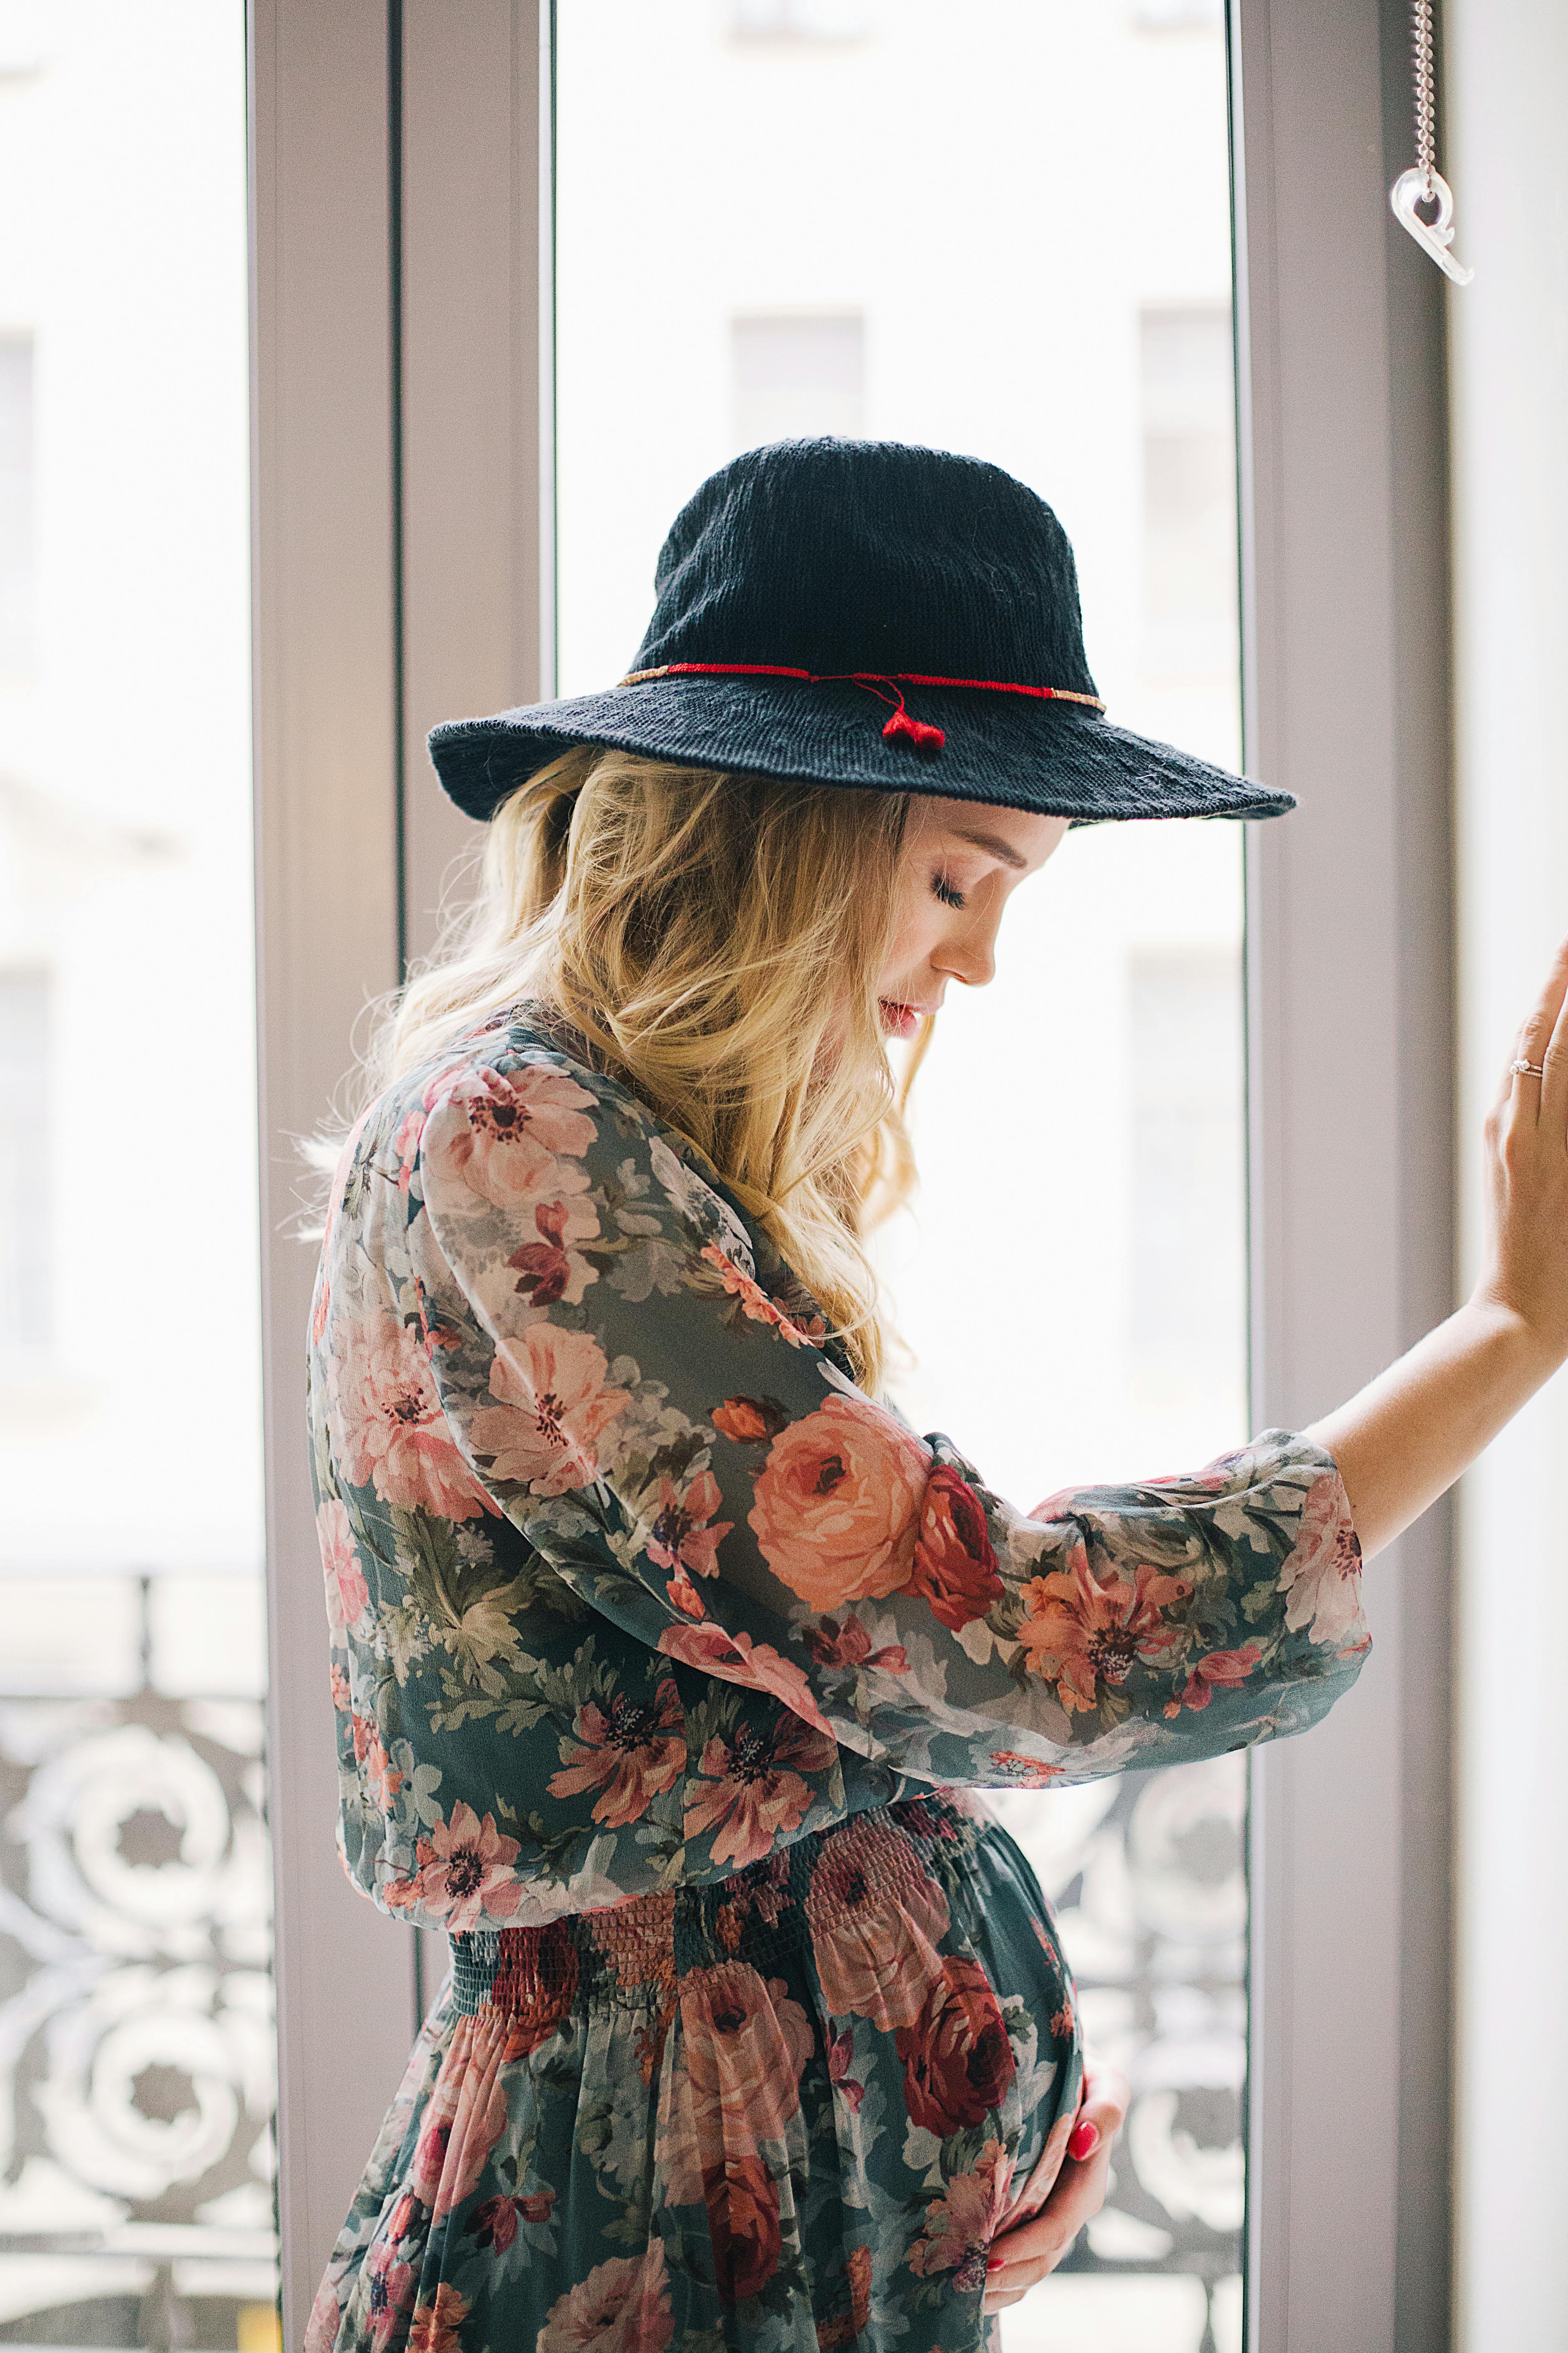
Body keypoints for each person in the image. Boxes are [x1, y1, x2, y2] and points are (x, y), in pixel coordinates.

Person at [304, 439, 1568, 2353]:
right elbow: (982, 1633)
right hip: (671, 2198)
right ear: (785, 827)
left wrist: (939, 2107)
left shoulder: (625, 1146)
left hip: (779, 2179)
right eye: (962, 873)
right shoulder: (514, 1131)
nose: (979, 957)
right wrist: (1512, 1328)